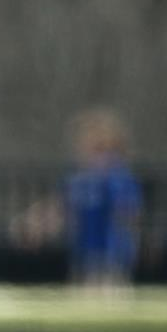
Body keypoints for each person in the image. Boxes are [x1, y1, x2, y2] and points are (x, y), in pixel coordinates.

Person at [62, 108, 142, 289]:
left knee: (110, 290)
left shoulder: (119, 179)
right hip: (85, 252)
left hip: (113, 254)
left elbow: (131, 214)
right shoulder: (78, 179)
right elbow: (64, 207)